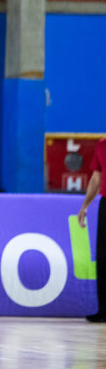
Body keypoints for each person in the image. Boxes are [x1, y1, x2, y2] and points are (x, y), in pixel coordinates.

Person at [77, 137, 106, 323]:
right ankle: (103, 309)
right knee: (103, 257)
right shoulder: (102, 145)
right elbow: (96, 177)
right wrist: (85, 205)